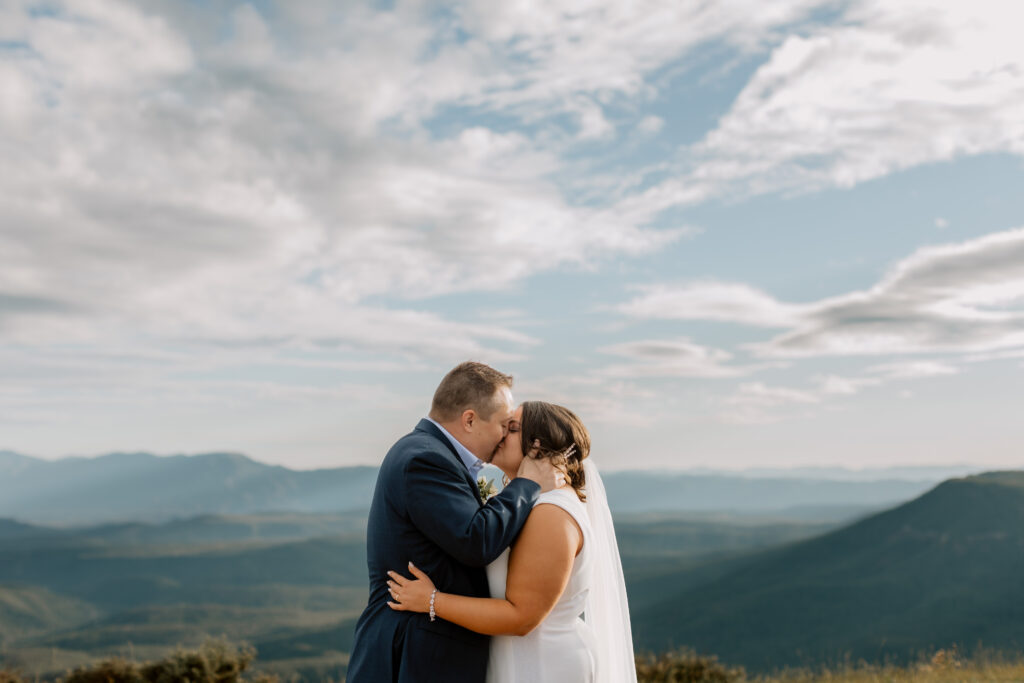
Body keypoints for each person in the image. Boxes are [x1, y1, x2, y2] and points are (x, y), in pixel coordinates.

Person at [386, 401, 637, 683]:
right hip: (518, 660)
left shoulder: (551, 513)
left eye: (512, 428)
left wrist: (432, 601)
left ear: (537, 447)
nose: (500, 434)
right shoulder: (529, 503)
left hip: (543, 666)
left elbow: (521, 617)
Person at [346, 362, 564, 683]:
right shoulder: (425, 459)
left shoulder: (428, 451)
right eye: (504, 425)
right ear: (470, 419)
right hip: (415, 656)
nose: (504, 436)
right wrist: (527, 485)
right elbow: (475, 541)